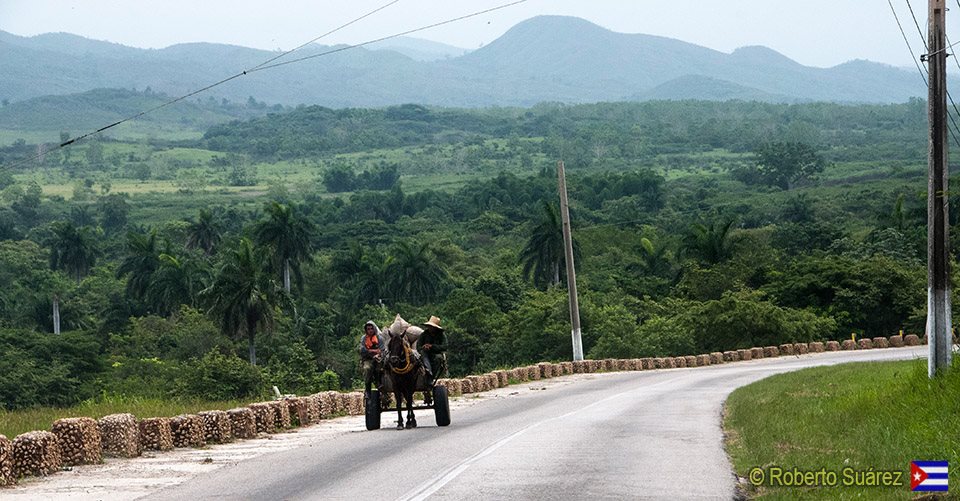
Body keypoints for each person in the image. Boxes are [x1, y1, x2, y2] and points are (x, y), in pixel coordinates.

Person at [419, 315, 447, 387]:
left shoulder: (441, 335)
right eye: (429, 326)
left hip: (436, 353)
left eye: (432, 327)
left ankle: (431, 376)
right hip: (425, 353)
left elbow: (445, 346)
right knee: (422, 354)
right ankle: (428, 371)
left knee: (439, 358)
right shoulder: (424, 334)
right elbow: (418, 346)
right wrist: (424, 347)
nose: (430, 328)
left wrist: (432, 346)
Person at [358, 320, 385, 396]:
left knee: (381, 368)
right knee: (367, 369)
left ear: (374, 329)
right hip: (368, 359)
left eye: (371, 328)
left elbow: (382, 350)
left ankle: (379, 382)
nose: (370, 331)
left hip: (378, 359)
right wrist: (373, 351)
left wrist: (378, 354)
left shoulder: (379, 338)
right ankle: (368, 390)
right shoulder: (364, 338)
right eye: (368, 329)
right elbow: (362, 350)